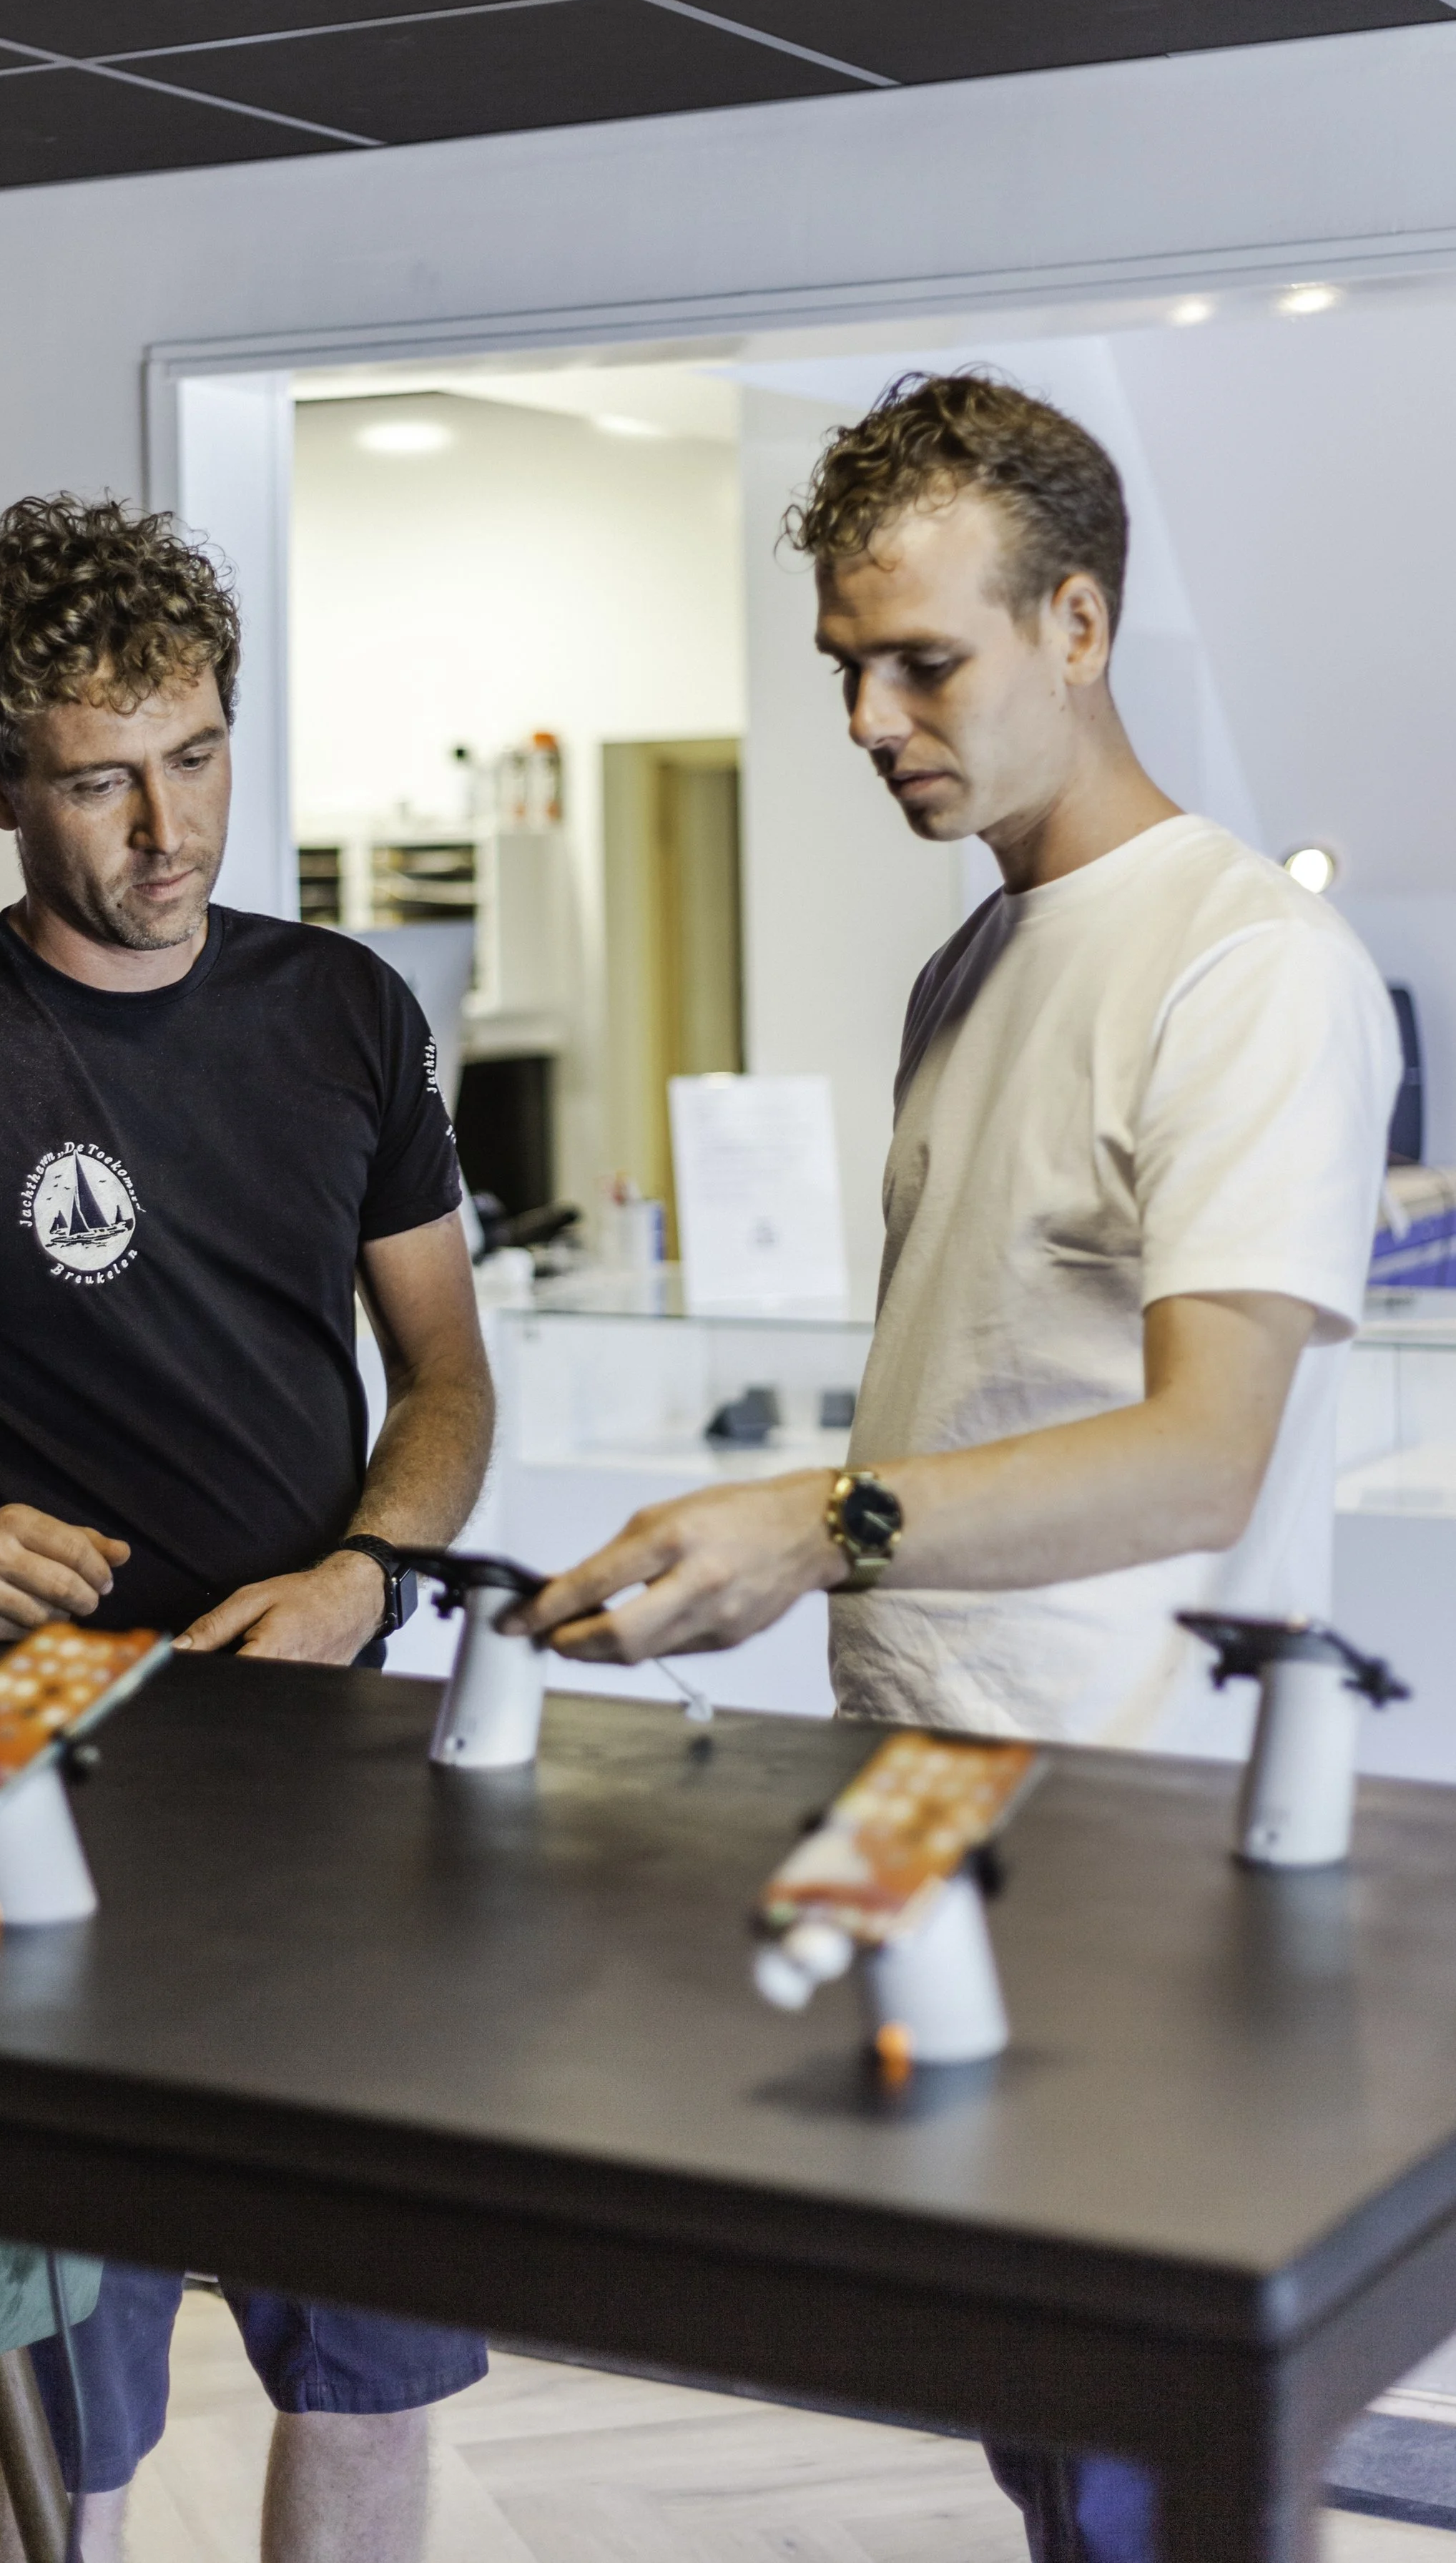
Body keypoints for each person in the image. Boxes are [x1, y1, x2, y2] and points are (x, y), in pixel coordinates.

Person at [505, 373, 1399, 2562]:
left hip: (1129, 1843)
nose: (870, 716)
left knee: (1133, 2496)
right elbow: (983, 1393)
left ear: (1076, 624)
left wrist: (811, 1524)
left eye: (926, 660)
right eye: (842, 668)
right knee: (1043, 2461)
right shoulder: (971, 958)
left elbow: (1202, 1455)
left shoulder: (1247, 967)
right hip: (929, 1799)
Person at [0, 494, 496, 2563]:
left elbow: (445, 1375)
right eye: (100, 777)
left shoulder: (343, 1013)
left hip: (329, 1773)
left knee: (375, 2371)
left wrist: (370, 1570)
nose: (169, 827)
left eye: (200, 755)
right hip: (39, 1804)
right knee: (75, 2410)